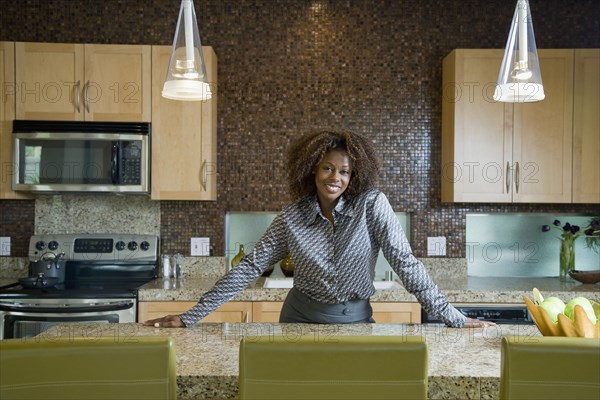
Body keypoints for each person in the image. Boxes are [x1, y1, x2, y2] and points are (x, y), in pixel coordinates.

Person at [144, 130, 493, 329]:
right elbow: (250, 267)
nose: (335, 178)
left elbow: (406, 263)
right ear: (312, 170)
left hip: (356, 321)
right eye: (328, 168)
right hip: (297, 320)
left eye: (344, 171)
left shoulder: (372, 206)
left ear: (353, 176)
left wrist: (454, 317)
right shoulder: (292, 217)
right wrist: (190, 317)